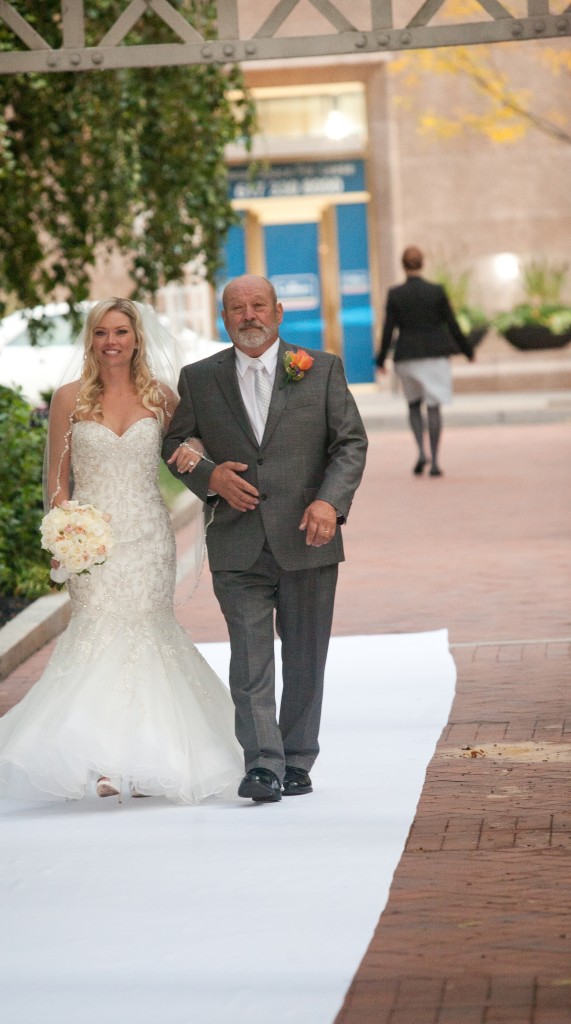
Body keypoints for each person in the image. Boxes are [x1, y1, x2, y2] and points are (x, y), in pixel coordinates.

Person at [0, 298, 243, 804]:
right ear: (90, 340)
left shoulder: (161, 397)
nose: (111, 342)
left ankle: (148, 756)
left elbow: (191, 449)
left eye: (120, 332)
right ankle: (100, 761)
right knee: (97, 634)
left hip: (147, 537)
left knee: (147, 632)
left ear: (137, 337)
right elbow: (58, 480)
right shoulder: (69, 398)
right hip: (91, 540)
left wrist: (196, 453)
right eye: (101, 333)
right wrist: (64, 537)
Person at [163, 274, 368, 803]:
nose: (248, 316)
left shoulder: (320, 369)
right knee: (249, 658)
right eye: (237, 308)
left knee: (304, 654)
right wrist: (209, 476)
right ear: (223, 318)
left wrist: (330, 502)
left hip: (308, 535)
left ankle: (298, 757)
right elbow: (176, 442)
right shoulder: (199, 378)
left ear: (278, 313)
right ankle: (262, 765)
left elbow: (349, 443)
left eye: (258, 306)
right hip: (237, 541)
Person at [376, 245, 475, 477]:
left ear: (403, 265)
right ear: (422, 263)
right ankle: (436, 461)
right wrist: (467, 351)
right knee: (433, 407)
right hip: (435, 355)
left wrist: (381, 360)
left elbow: (388, 329)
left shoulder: (395, 294)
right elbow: (452, 324)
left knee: (413, 404)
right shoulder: (436, 291)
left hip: (406, 356)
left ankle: (421, 450)